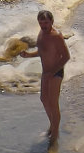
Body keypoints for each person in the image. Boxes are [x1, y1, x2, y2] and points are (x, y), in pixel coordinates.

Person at [20, 10, 70, 142]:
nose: (43, 26)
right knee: (44, 99)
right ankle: (52, 126)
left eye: (46, 23)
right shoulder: (41, 33)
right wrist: (28, 55)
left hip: (56, 72)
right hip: (46, 72)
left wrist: (52, 73)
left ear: (52, 22)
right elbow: (42, 52)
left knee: (53, 103)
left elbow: (66, 57)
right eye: (41, 23)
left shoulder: (56, 36)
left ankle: (55, 134)